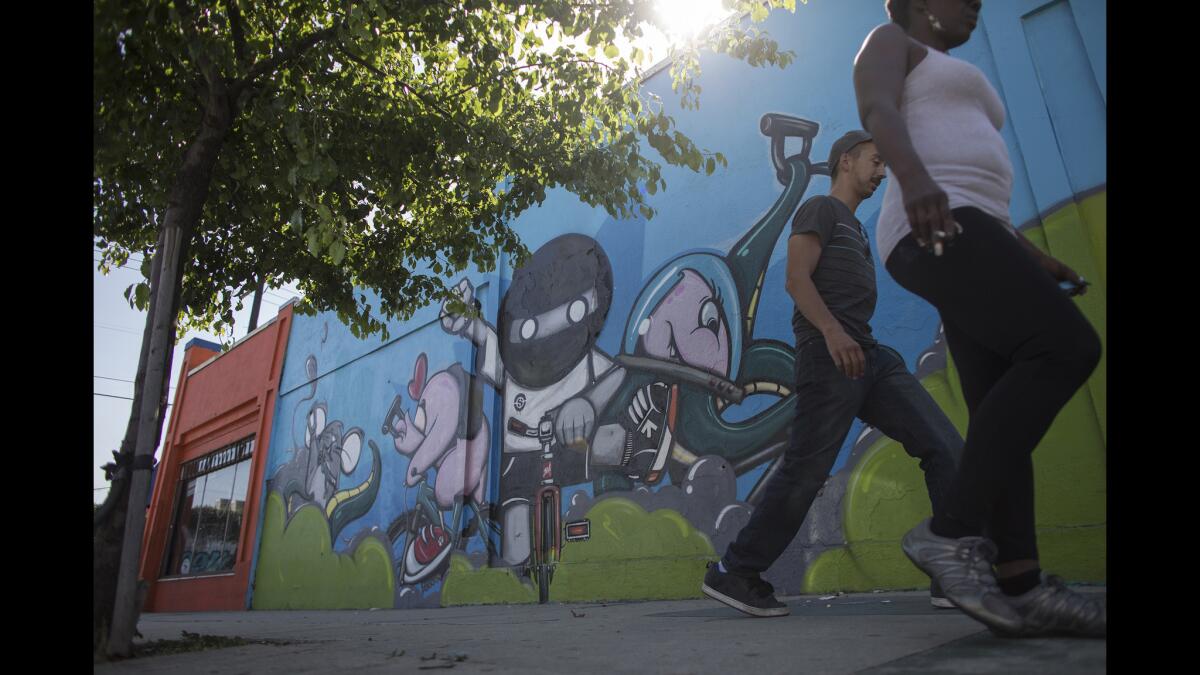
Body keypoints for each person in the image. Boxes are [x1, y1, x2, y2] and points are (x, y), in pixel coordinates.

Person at [852, 0, 1104, 637]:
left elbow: (982, 192)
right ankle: (950, 531)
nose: (976, 4)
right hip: (933, 222)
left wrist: (1032, 255)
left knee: (1000, 408)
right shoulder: (890, 40)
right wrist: (912, 179)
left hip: (970, 224)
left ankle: (1021, 585)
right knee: (1067, 347)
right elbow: (877, 110)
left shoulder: (947, 70)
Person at [701, 130, 964, 617]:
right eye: (875, 160)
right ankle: (736, 571)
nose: (882, 173)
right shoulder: (820, 211)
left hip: (868, 356)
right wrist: (832, 332)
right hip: (829, 355)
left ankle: (950, 569)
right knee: (806, 469)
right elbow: (795, 280)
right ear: (846, 160)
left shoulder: (856, 228)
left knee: (944, 446)